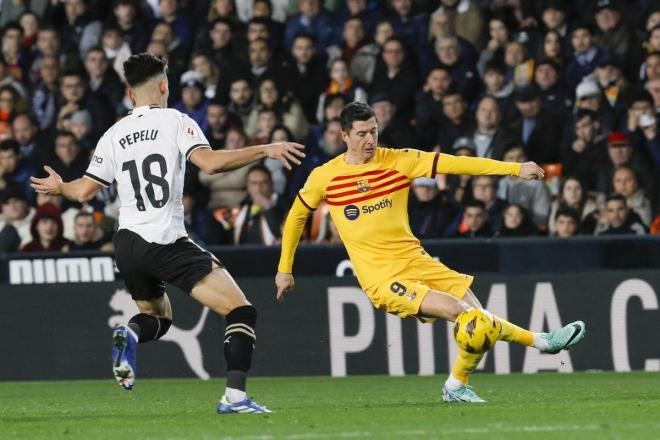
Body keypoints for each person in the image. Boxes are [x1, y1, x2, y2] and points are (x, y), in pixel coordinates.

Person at [30, 53, 304, 414]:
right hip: (165, 240)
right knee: (241, 311)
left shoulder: (113, 134)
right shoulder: (176, 121)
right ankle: (235, 398)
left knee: (158, 319)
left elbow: (82, 192)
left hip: (127, 245)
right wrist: (265, 148)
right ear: (163, 86)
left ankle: (128, 333)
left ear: (129, 95)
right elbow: (210, 164)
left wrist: (60, 186)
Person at [274, 102, 585, 403]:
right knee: (461, 313)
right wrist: (284, 268)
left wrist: (514, 168)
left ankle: (457, 384)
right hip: (382, 278)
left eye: (374, 131)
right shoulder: (324, 177)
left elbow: (458, 162)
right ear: (344, 136)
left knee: (480, 321)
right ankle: (543, 342)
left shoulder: (400, 160)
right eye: (361, 134)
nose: (370, 140)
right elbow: (296, 218)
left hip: (417, 261)